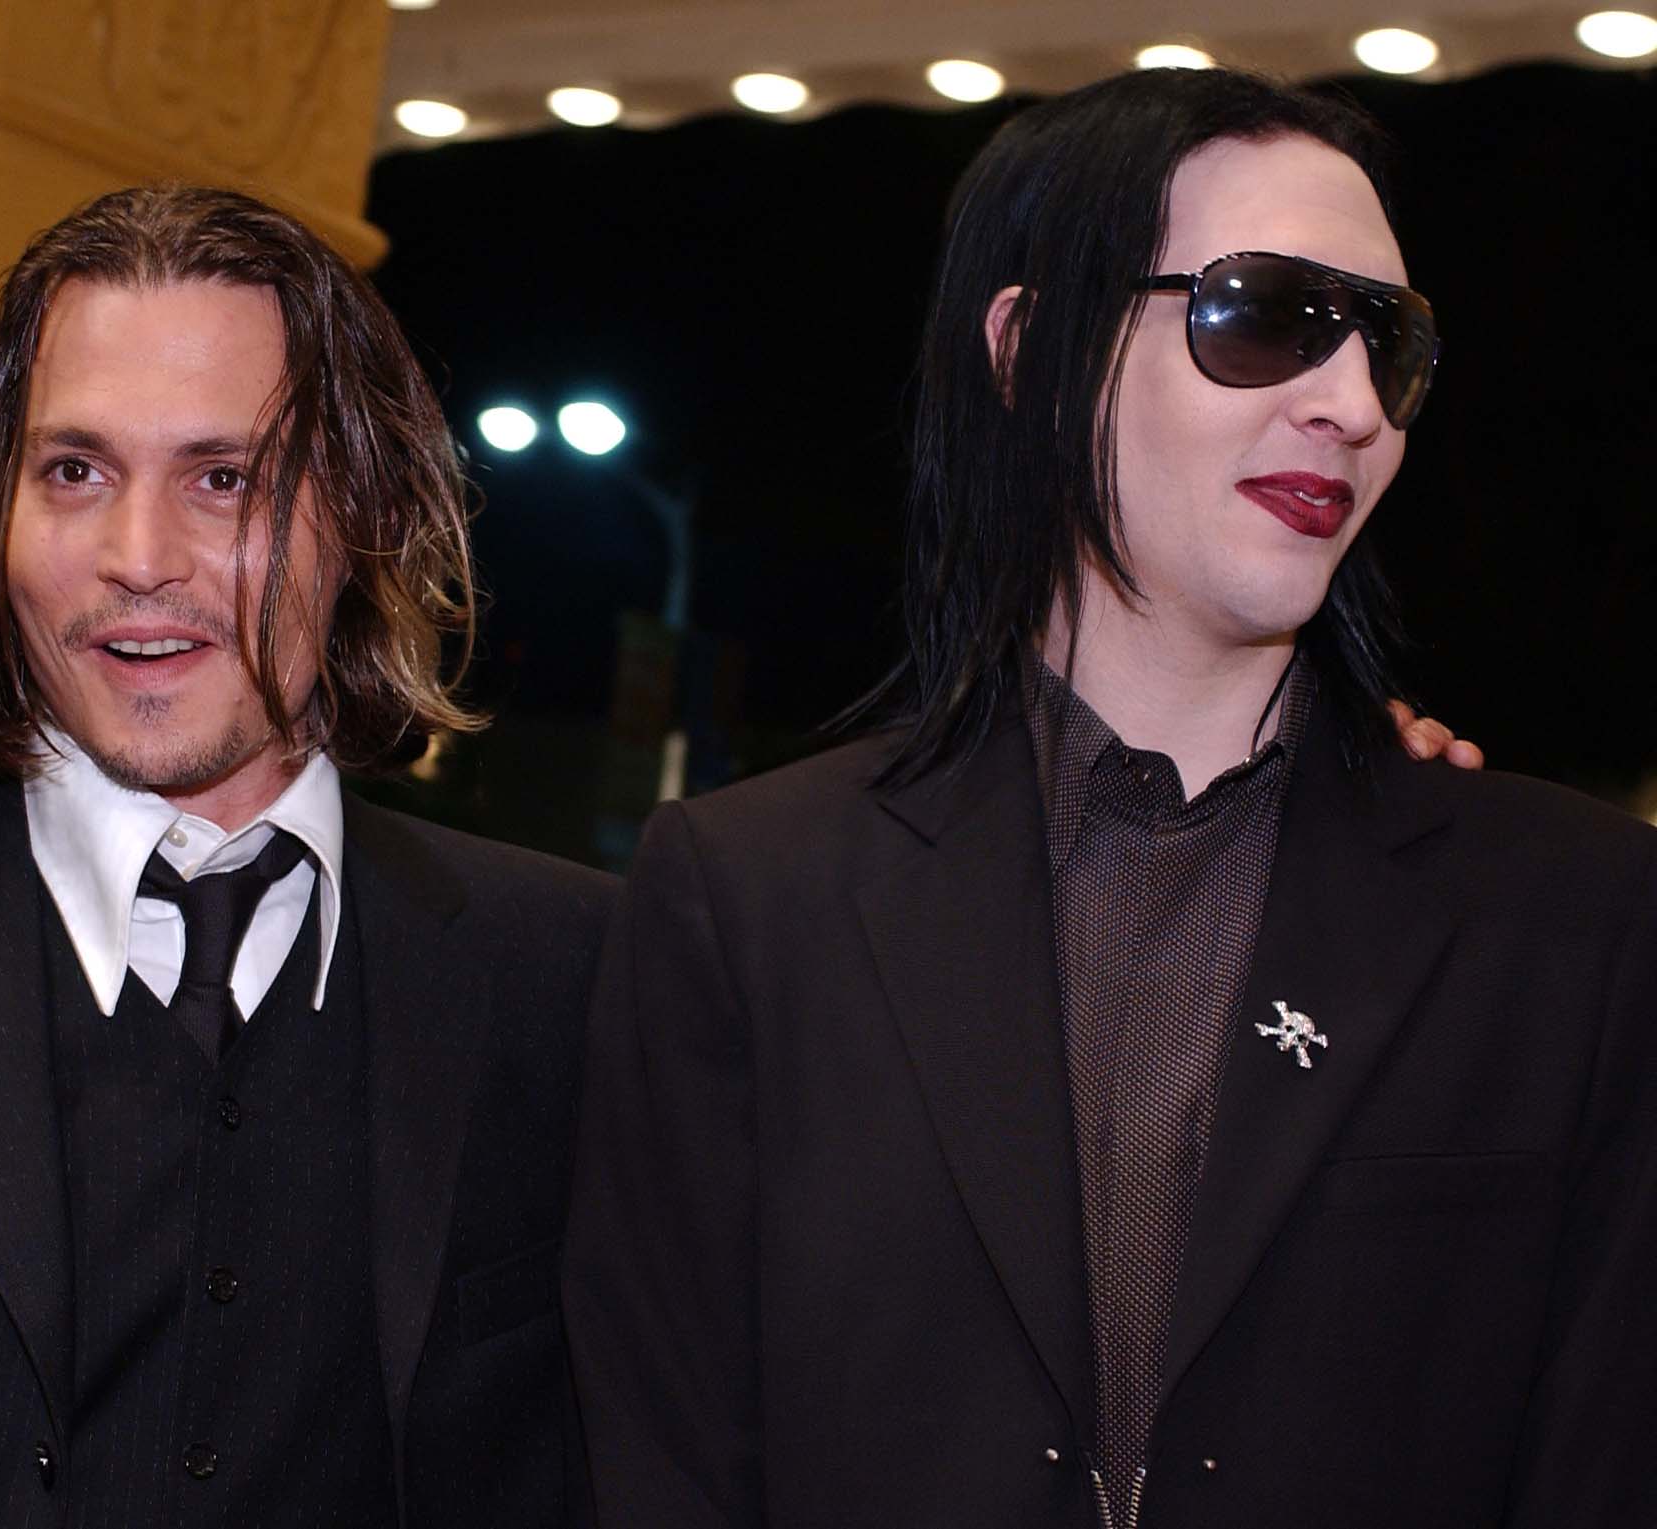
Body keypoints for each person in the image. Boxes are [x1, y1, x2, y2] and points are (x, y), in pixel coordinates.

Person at [564, 69, 1655, 1529]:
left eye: (1388, 344)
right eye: (1262, 313)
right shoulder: (751, 899)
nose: (1346, 405)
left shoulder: (1574, 916)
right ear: (1031, 348)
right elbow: (661, 1465)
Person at [0, 186, 613, 1528]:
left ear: (362, 513)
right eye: (73, 470)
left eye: (226, 478)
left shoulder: (579, 975)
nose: (139, 558)